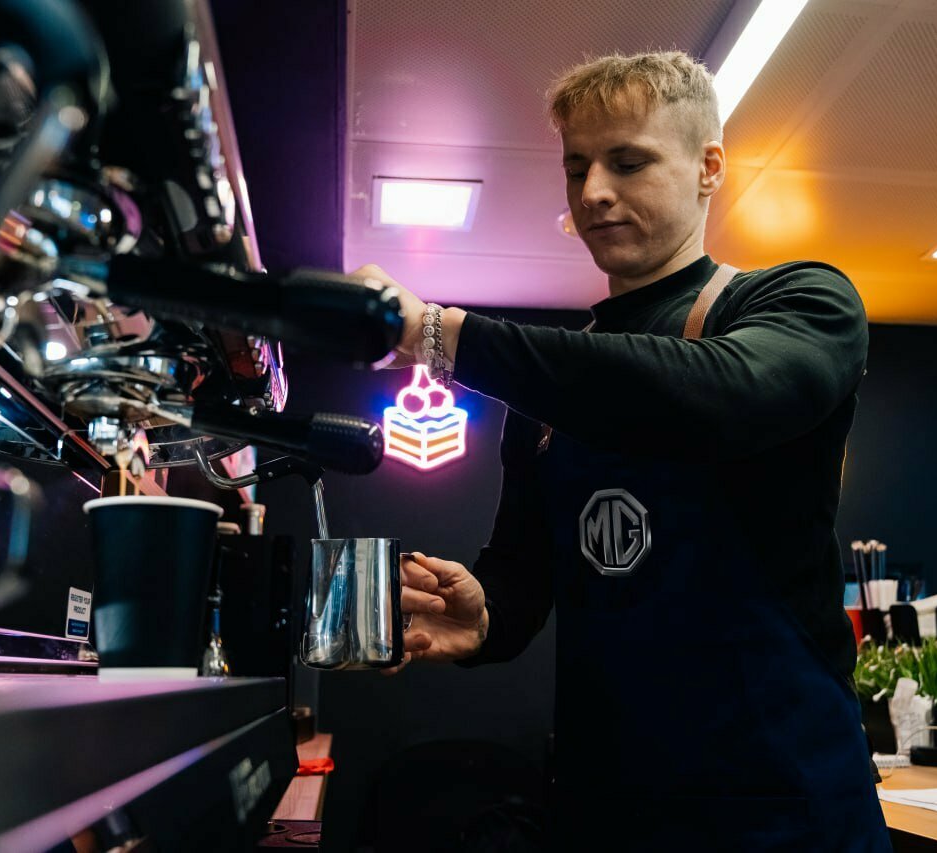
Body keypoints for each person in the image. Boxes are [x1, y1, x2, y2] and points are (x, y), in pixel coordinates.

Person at [356, 51, 890, 850]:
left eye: (628, 161)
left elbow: (717, 395)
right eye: (577, 168)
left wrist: (437, 333)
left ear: (709, 167)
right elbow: (523, 575)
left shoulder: (799, 302)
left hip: (783, 808)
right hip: (610, 811)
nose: (594, 192)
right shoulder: (551, 393)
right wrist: (484, 613)